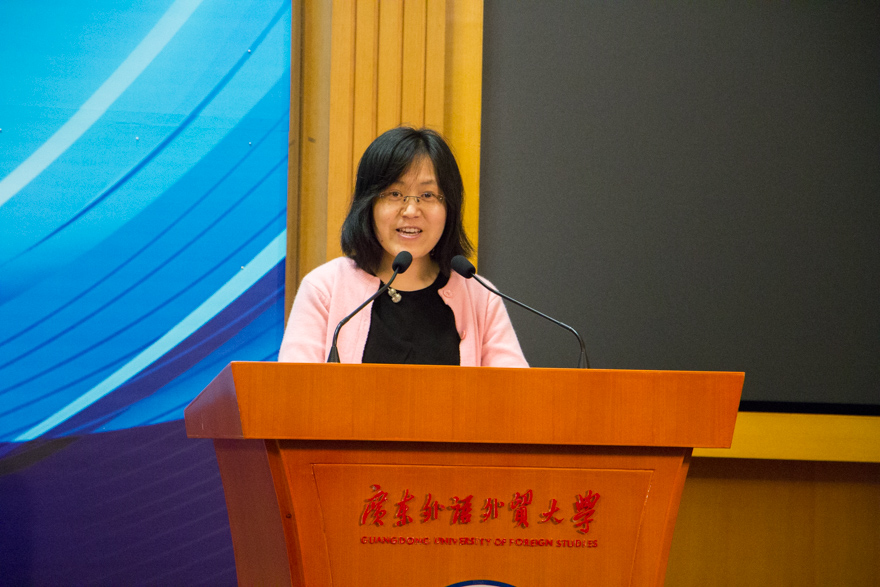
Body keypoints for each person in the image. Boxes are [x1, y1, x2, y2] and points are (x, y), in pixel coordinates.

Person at [278, 126, 527, 367]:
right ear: (368, 204)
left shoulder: (480, 298)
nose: (410, 211)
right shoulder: (325, 289)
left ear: (449, 207)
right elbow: (293, 390)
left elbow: (515, 391)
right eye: (394, 194)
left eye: (428, 195)